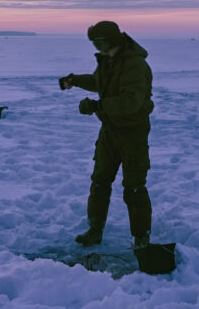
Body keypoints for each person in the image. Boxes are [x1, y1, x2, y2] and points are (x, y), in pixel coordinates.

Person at [60, 21, 154, 250]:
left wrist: (97, 107)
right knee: (100, 182)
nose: (94, 46)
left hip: (132, 133)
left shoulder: (135, 64)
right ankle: (95, 230)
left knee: (134, 186)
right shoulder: (108, 61)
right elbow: (97, 82)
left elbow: (131, 101)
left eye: (97, 42)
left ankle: (141, 239)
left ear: (110, 40)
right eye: (92, 42)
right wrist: (75, 80)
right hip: (109, 131)